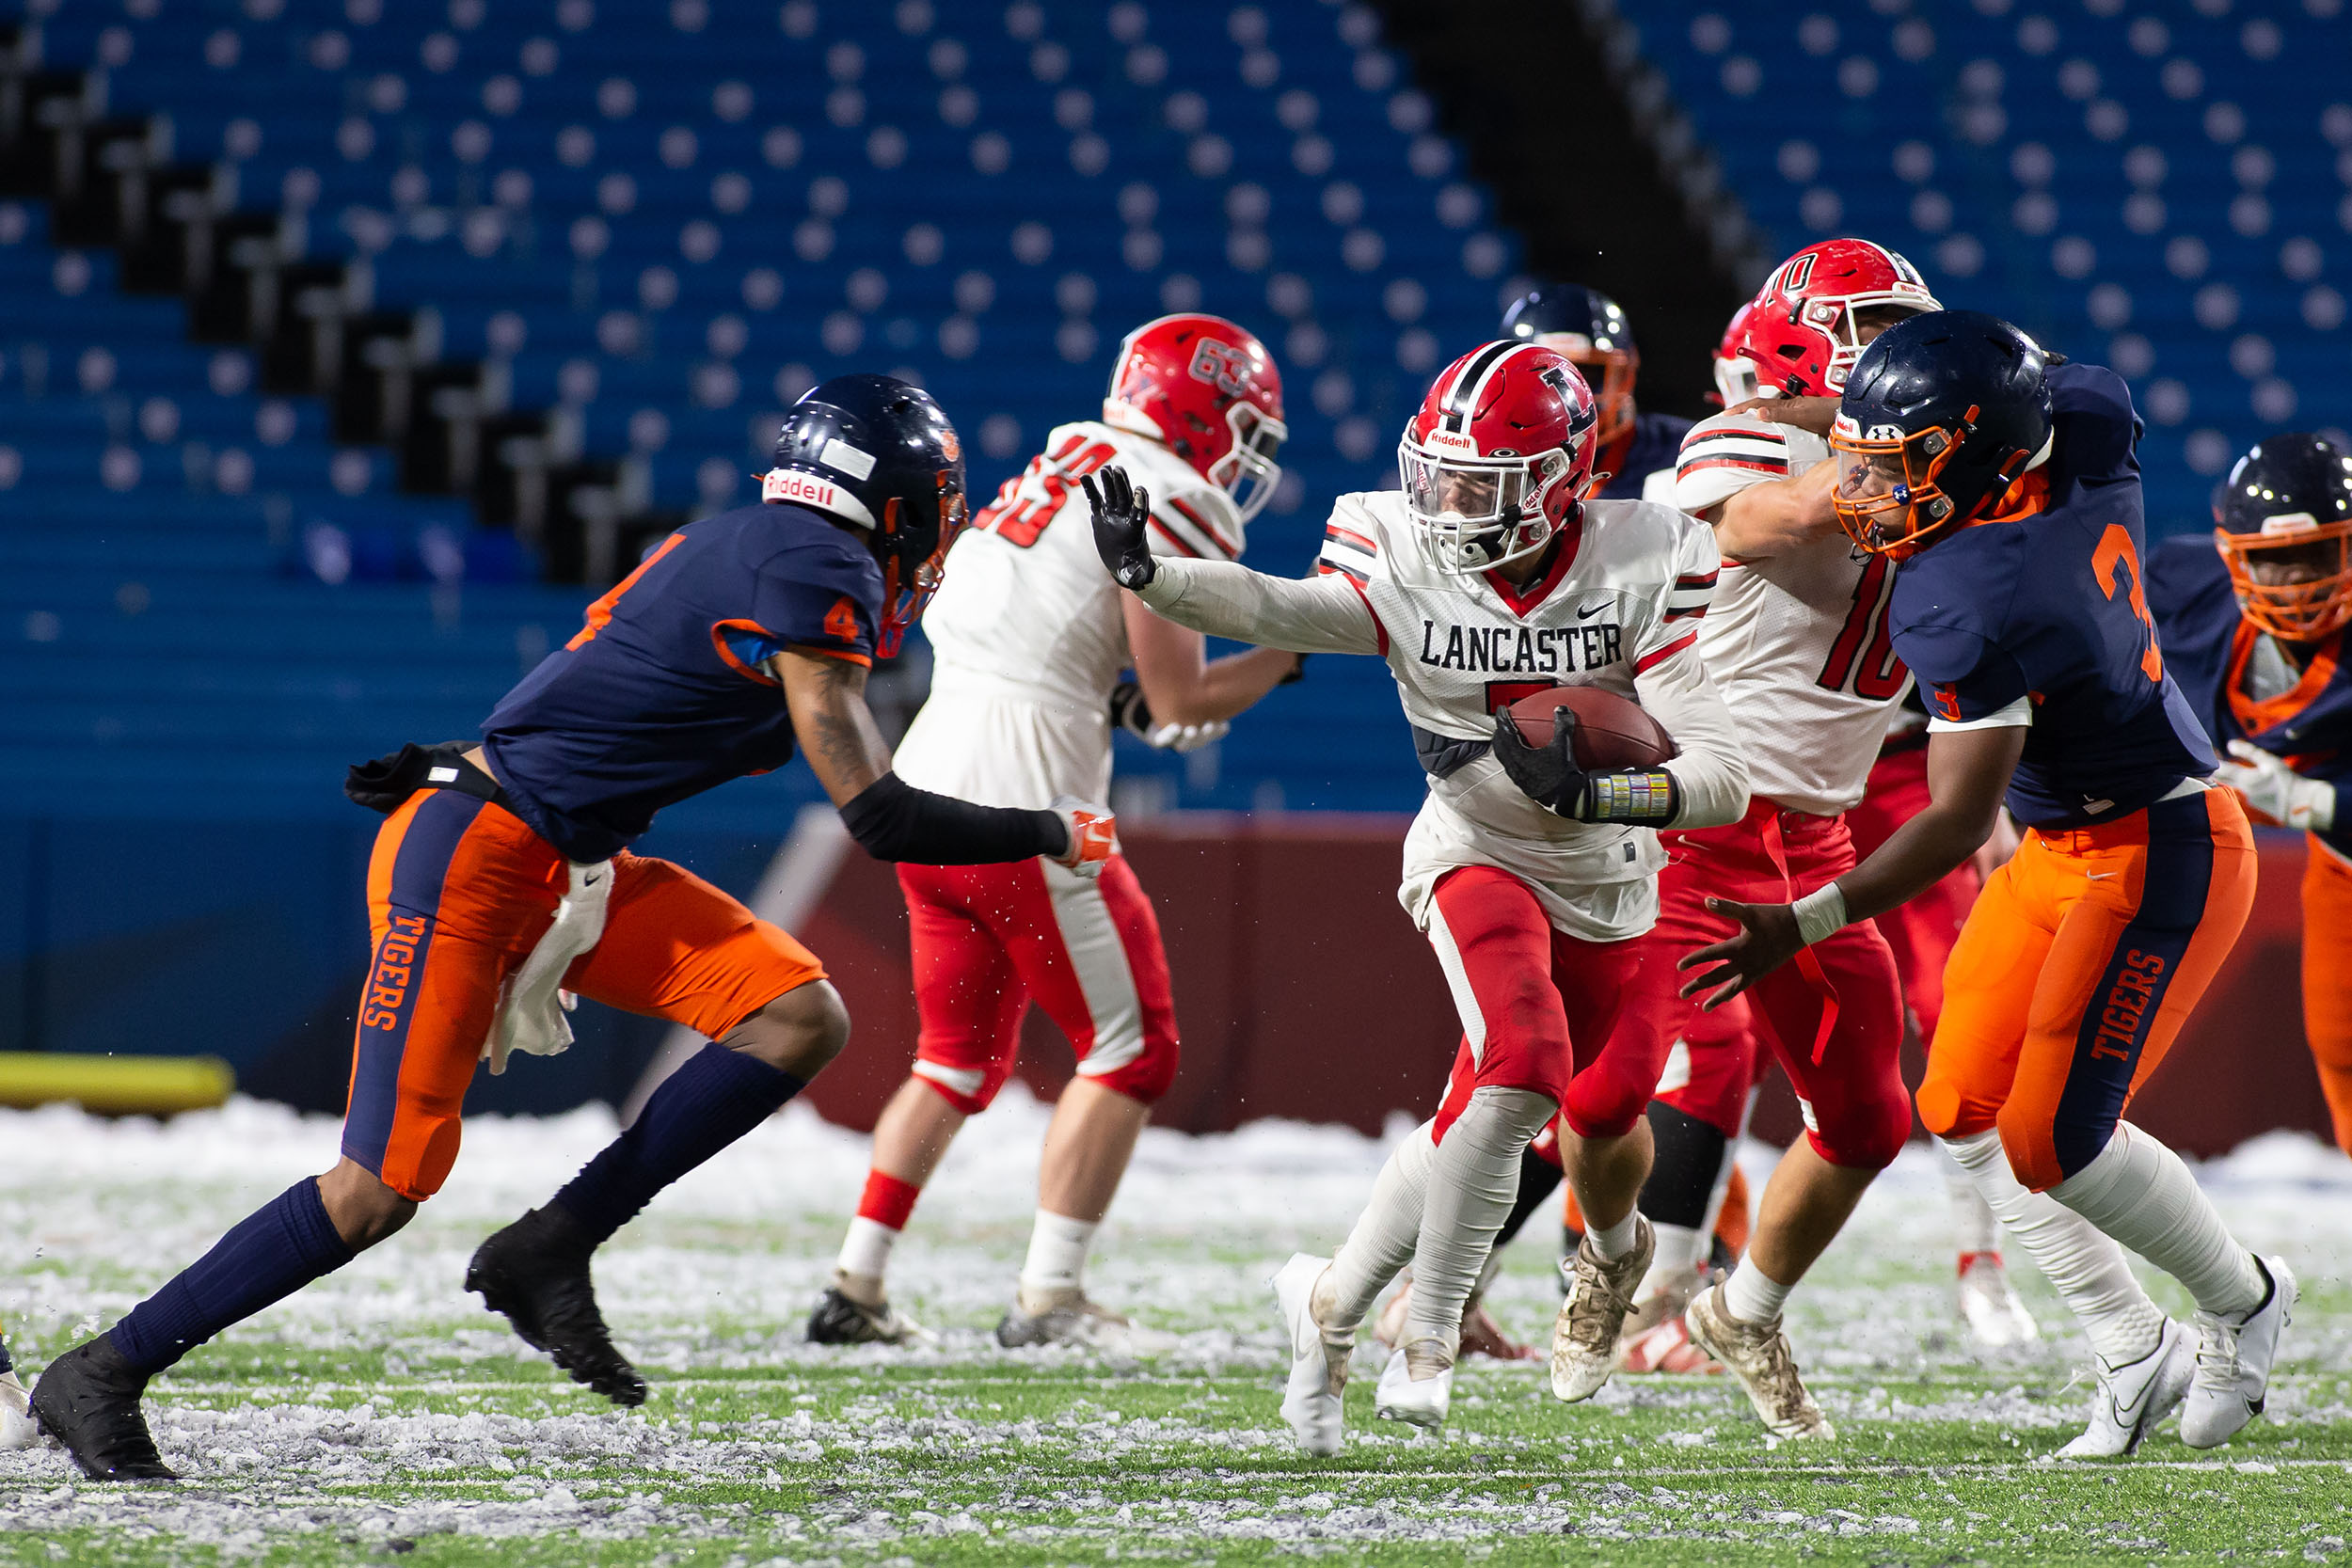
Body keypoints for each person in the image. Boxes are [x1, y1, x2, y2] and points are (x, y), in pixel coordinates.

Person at [26, 376, 1116, 1481]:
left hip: (561, 857)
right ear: (887, 498)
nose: (942, 524)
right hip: (482, 854)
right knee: (376, 1189)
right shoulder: (815, 569)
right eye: (933, 499)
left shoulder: (755, 542)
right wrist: (1047, 827)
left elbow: (605, 677)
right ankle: (103, 1371)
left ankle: (551, 1241)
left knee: (794, 1015)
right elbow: (878, 814)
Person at [1089, 340, 1749, 1451]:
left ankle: (1327, 1306)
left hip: (1608, 880)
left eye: (1479, 485)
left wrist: (1606, 790)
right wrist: (1153, 576)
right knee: (1525, 1063)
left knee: (1497, 1110)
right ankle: (1425, 1337)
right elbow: (1283, 604)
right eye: (1435, 474)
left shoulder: (1649, 557)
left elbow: (1722, 779)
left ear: (1560, 479)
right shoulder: (1399, 548)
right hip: (1470, 849)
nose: (1444, 504)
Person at [1684, 310, 2295, 1457]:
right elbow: (2057, 385)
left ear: (1974, 460)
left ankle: (2244, 1301)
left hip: (2156, 845)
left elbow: (1956, 815)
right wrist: (1849, 411)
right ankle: (2129, 1344)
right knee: (1955, 1102)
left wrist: (1802, 919)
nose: (1863, 486)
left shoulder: (1969, 598)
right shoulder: (2086, 423)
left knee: (2051, 1138)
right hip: (2063, 845)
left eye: (1893, 465)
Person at [809, 316, 1305, 1349]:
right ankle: (1051, 1293)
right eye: (1243, 428)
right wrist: (1290, 651)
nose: (1245, 456)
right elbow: (1174, 704)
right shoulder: (1172, 492)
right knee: (1132, 1049)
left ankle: (855, 1280)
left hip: (928, 780)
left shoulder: (1064, 453)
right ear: (1202, 411)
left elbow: (1066, 652)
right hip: (1030, 803)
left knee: (952, 1060)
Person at [2149, 432, 2352, 1157]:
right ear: (2233, 555)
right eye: (2274, 558)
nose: (2296, 579)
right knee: (2341, 1046)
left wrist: (2316, 801)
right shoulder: (2181, 583)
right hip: (2301, 855)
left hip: (2340, 840)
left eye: (2316, 553)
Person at [1502, 283, 1692, 501]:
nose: (1568, 397)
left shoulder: (1681, 453)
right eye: (1546, 378)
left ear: (1627, 374)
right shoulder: (1488, 461)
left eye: (1586, 374)